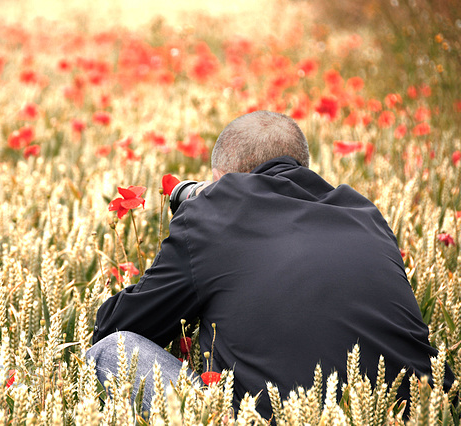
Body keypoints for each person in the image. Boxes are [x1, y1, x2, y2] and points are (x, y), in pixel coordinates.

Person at [87, 110, 455, 419]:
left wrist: (190, 230)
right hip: (416, 413)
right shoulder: (364, 213)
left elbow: (118, 327)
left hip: (270, 418)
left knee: (110, 350)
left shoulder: (213, 215)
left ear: (221, 180)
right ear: (303, 167)